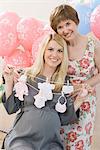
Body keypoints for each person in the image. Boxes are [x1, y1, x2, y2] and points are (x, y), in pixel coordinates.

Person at [1, 33, 85, 150]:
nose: (55, 55)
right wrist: (9, 82)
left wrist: (79, 100)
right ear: (43, 51)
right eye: (50, 49)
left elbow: (64, 119)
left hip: (51, 143)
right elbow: (11, 108)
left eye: (60, 51)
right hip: (22, 139)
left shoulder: (65, 82)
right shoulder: (27, 75)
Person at [49, 4, 100, 150]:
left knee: (79, 141)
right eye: (60, 27)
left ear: (76, 21)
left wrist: (82, 87)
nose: (65, 30)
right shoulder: (59, 46)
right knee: (59, 139)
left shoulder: (93, 45)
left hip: (85, 100)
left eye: (67, 23)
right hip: (62, 99)